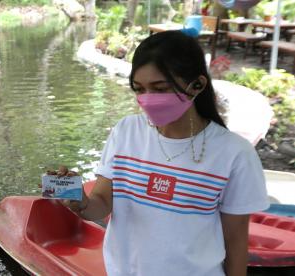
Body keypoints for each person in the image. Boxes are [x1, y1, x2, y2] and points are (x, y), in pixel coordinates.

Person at [62, 30, 269, 276]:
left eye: (160, 88)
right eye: (139, 89)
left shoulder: (235, 153)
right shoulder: (126, 132)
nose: (148, 99)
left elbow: (235, 241)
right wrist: (80, 202)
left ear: (197, 85)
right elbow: (102, 204)